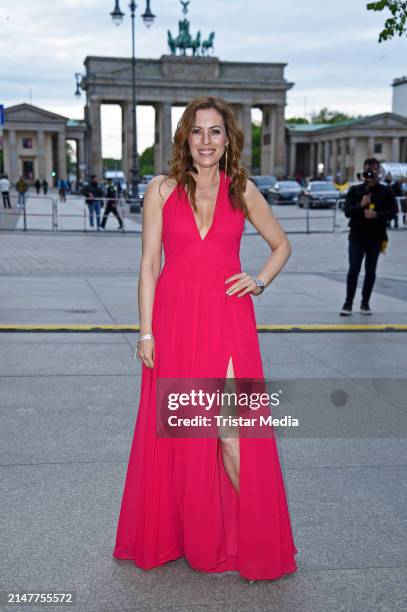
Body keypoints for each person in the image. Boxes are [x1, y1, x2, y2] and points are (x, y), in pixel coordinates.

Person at [112, 96, 298, 582]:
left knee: (233, 436)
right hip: (174, 324)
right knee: (187, 436)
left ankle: (259, 540)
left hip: (228, 322)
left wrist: (258, 280)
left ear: (228, 139)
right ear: (184, 138)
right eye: (197, 132)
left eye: (215, 132)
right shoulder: (161, 189)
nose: (206, 141)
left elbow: (282, 245)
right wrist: (146, 331)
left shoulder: (244, 190)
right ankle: (191, 535)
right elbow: (149, 265)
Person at [340, 158, 397, 316]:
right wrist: (361, 204)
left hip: (376, 236)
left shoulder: (386, 191)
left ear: (379, 172)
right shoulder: (355, 190)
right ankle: (348, 303)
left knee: (370, 271)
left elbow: (393, 212)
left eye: (374, 171)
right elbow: (347, 211)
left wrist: (377, 214)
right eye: (368, 171)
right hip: (357, 236)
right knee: (354, 269)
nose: (371, 174)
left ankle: (365, 303)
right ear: (363, 172)